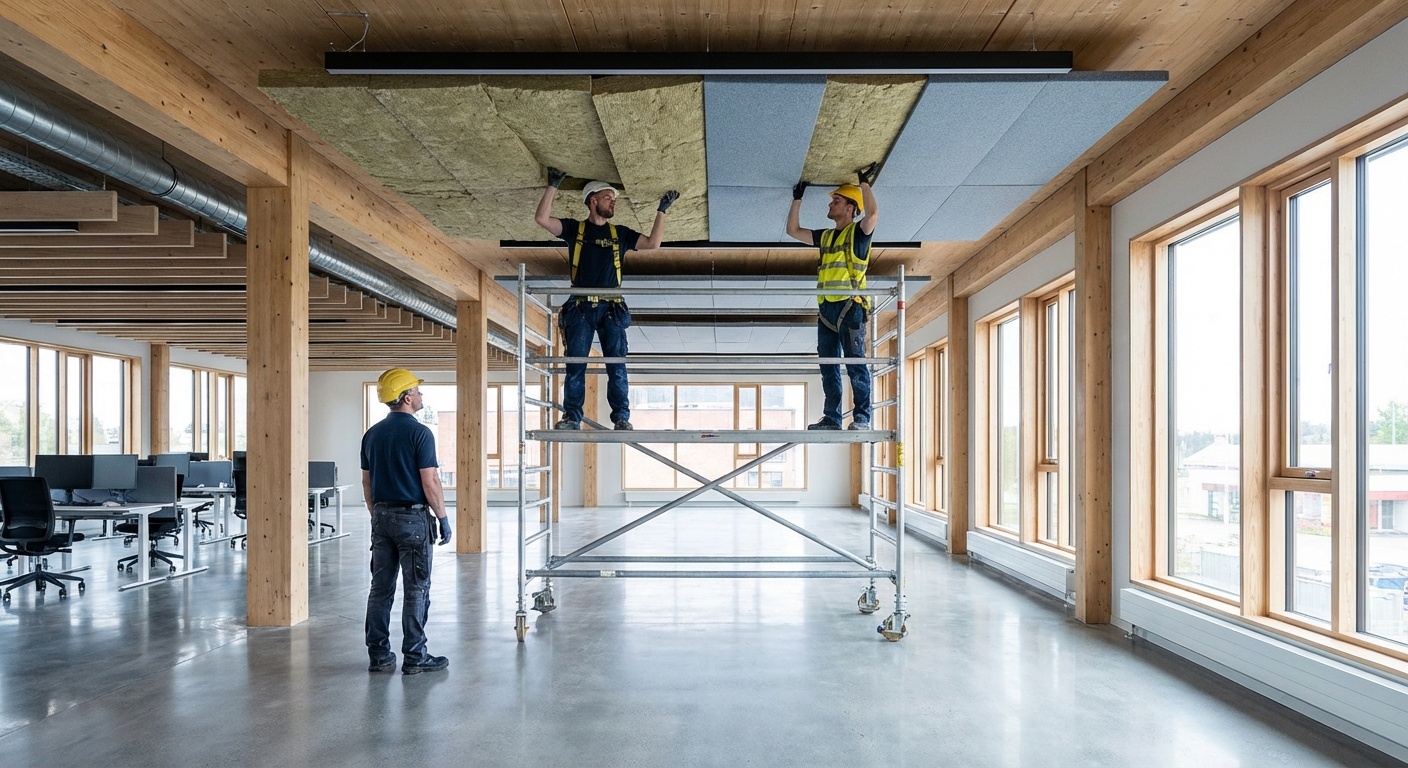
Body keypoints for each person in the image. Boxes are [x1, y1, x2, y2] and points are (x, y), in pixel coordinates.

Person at [535, 167, 679, 430]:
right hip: (580, 309)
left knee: (617, 365)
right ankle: (571, 417)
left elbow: (653, 243)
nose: (613, 202)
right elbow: (542, 218)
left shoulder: (620, 234)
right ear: (593, 200)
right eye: (607, 197)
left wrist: (662, 211)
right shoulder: (574, 229)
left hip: (611, 309)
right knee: (575, 366)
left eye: (613, 198)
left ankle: (622, 418)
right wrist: (553, 185)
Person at [361, 367, 452, 675]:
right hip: (412, 519)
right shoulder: (420, 432)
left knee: (380, 588)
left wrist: (379, 516)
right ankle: (415, 656)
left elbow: (367, 482)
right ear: (408, 397)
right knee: (416, 589)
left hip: (382, 517)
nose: (421, 394)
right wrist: (442, 517)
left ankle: (379, 656)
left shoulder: (372, 434)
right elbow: (431, 481)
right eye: (418, 390)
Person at [785, 163, 880, 431]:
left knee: (854, 364)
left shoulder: (858, 234)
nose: (830, 205)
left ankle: (862, 418)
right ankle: (832, 418)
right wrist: (797, 199)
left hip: (851, 308)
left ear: (850, 207)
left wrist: (864, 183)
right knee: (828, 367)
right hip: (827, 310)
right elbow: (793, 231)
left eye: (836, 201)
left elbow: (872, 213)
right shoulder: (825, 236)